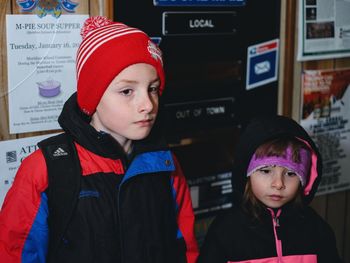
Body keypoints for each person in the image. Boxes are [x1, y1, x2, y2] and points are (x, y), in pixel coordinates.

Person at [0, 16, 198, 263]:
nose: (147, 105)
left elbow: (184, 247)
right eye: (127, 91)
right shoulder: (45, 170)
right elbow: (15, 254)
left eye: (153, 88)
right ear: (93, 97)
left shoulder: (165, 164)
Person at [198, 115, 342, 263]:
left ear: (303, 180)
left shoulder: (315, 228)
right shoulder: (226, 229)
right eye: (265, 171)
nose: (278, 184)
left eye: (291, 173)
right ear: (247, 174)